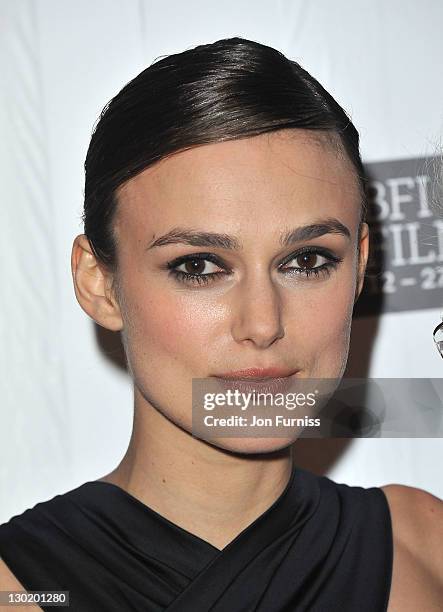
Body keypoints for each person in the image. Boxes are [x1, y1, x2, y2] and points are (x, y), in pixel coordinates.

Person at [0, 37, 442, 612]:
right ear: (98, 282)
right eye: (199, 266)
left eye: (307, 261)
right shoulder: (21, 589)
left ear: (359, 265)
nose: (262, 324)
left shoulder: (423, 549)